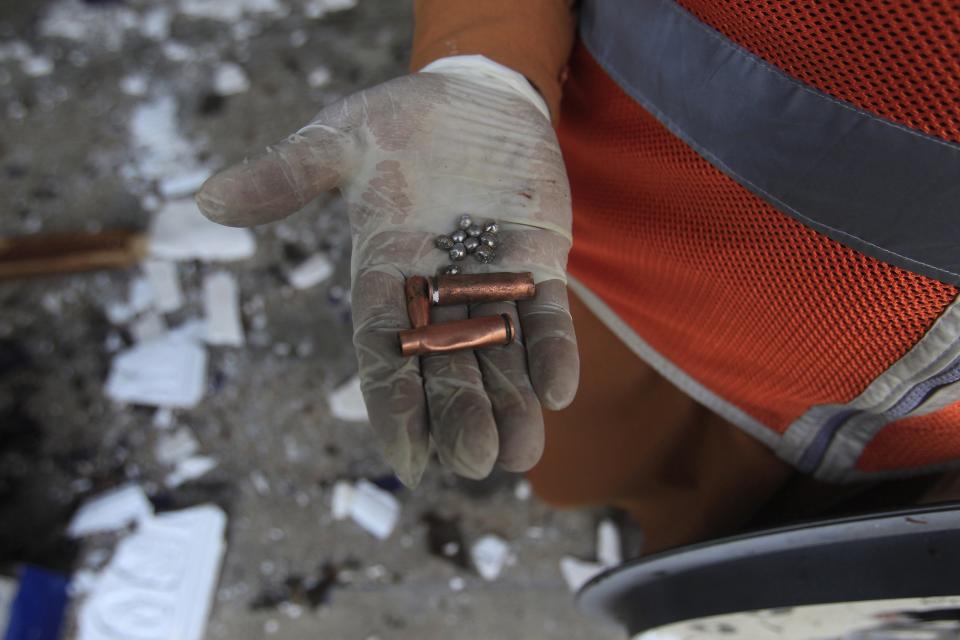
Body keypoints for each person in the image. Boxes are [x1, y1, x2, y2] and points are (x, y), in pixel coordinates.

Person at [197, 1, 960, 554]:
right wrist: (488, 60)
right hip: (589, 262)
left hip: (898, 447)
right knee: (571, 455)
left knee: (715, 543)